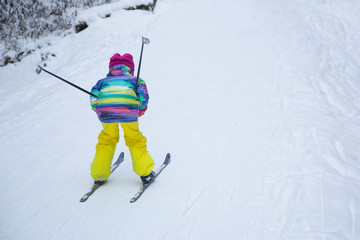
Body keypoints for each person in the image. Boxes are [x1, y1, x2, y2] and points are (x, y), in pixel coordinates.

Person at [89, 53, 155, 185]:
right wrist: (140, 110)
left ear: (111, 69)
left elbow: (93, 96)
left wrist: (98, 108)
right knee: (134, 139)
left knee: (107, 139)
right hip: (128, 110)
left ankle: (99, 173)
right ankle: (145, 172)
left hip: (105, 111)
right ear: (130, 69)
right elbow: (143, 96)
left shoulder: (102, 82)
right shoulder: (135, 80)